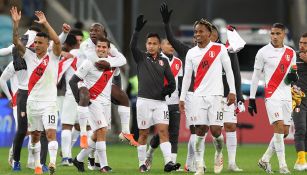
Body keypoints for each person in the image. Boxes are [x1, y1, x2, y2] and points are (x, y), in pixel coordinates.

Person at [179, 18, 236, 175]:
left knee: (216, 131)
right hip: (198, 97)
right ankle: (199, 166)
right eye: (196, 31)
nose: (197, 34)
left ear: (209, 34)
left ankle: (218, 154)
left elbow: (229, 71)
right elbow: (187, 77)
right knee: (200, 130)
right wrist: (182, 98)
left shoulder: (219, 49)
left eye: (201, 31)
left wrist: (233, 91)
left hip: (216, 96)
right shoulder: (191, 53)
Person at [11, 7, 61, 175]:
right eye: (36, 43)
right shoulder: (29, 56)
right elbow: (16, 42)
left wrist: (46, 23)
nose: (37, 45)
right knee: (34, 137)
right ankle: (37, 164)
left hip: (50, 103)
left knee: (51, 133)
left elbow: (58, 41)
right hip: (32, 103)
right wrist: (16, 24)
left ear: (48, 45)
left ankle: (51, 163)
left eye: (40, 43)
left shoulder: (53, 57)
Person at [130, 15, 180, 173]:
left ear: (159, 46)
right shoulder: (141, 58)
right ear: (146, 45)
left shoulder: (164, 62)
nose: (151, 46)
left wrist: (164, 92)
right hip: (144, 102)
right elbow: (132, 47)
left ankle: (168, 163)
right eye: (149, 43)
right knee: (144, 134)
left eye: (154, 44)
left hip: (160, 103)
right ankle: (142, 164)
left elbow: (172, 83)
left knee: (164, 131)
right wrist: (136, 31)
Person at [70, 37, 125, 173]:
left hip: (106, 103)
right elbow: (73, 81)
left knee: (97, 134)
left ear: (108, 49)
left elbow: (117, 78)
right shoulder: (89, 63)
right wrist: (80, 101)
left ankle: (78, 159)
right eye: (98, 46)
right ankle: (104, 166)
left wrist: (117, 95)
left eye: (104, 47)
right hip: (93, 101)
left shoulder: (113, 64)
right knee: (101, 131)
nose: (100, 49)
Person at [248, 23, 297, 174]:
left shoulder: (291, 53)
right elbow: (255, 76)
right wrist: (251, 98)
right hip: (271, 94)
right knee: (279, 127)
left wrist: (293, 78)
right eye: (273, 33)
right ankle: (283, 166)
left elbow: (292, 77)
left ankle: (264, 160)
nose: (275, 37)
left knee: (285, 132)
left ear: (284, 35)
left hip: (287, 95)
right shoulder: (262, 52)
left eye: (278, 34)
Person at [158, 3, 197, 172]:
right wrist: (167, 24)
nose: (198, 38)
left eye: (201, 34)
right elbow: (172, 40)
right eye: (195, 35)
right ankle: (189, 163)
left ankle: (188, 163)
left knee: (197, 131)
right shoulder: (188, 52)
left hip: (205, 96)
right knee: (168, 131)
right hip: (186, 96)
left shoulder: (217, 52)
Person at [210, 25, 244, 172]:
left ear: (217, 34)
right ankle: (217, 154)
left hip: (228, 94)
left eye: (213, 32)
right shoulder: (200, 51)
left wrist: (239, 95)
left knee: (230, 126)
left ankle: (232, 163)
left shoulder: (228, 49)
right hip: (211, 96)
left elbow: (236, 73)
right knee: (214, 129)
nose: (210, 35)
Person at [145, 38, 183, 168]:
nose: (172, 46)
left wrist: (182, 99)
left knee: (174, 132)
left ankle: (171, 162)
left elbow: (181, 83)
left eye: (173, 44)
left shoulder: (178, 62)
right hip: (160, 102)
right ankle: (149, 153)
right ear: (161, 46)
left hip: (174, 102)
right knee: (163, 132)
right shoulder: (156, 60)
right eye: (168, 43)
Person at [292, 32, 307, 171]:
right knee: (301, 128)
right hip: (298, 100)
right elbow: (286, 77)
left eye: (305, 43)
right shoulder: (293, 56)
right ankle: (301, 160)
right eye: (301, 43)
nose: (301, 46)